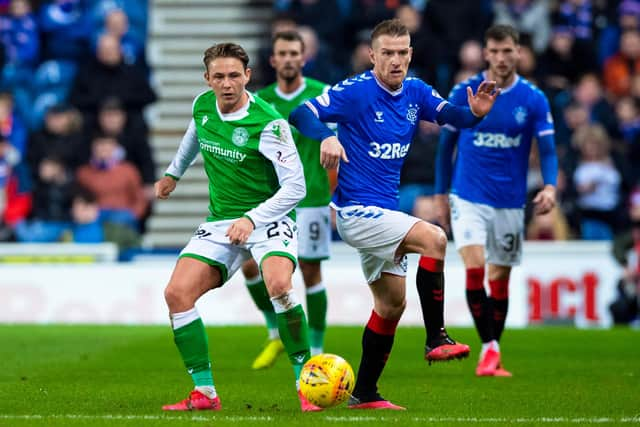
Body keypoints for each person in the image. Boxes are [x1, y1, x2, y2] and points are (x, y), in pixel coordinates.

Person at [290, 19, 499, 409]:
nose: (396, 60)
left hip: (383, 214)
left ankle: (365, 392)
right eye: (387, 52)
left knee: (391, 305)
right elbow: (301, 114)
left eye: (402, 52)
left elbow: (451, 115)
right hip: (355, 211)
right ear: (372, 55)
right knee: (434, 238)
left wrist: (476, 115)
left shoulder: (416, 91)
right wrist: (328, 135)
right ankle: (436, 336)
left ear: (411, 54)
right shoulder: (355, 92)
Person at [154, 42, 319, 412]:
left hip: (268, 218)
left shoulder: (270, 123)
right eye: (219, 77)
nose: (227, 84)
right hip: (221, 221)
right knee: (176, 294)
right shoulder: (202, 106)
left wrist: (252, 219)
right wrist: (172, 174)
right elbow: (195, 133)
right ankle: (205, 393)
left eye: (234, 76)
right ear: (207, 80)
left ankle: (306, 383)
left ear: (248, 75)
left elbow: (296, 188)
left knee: (279, 284)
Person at [434, 25, 558, 377]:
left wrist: (549, 187)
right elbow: (446, 148)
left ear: (518, 53)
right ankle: (489, 349)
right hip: (468, 194)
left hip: (509, 201)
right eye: (495, 51)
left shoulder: (533, 99)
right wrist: (441, 193)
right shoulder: (465, 90)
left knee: (499, 278)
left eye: (508, 51)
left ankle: (493, 349)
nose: (501, 58)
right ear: (485, 53)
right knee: (475, 270)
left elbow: (548, 149)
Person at [244, 30, 331, 370]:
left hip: (312, 198)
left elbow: (336, 147)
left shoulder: (322, 95)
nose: (290, 58)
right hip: (271, 201)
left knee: (311, 271)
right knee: (251, 266)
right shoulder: (260, 101)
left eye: (295, 52)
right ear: (273, 60)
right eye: (283, 53)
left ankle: (318, 349)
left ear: (303, 57)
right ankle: (274, 333)